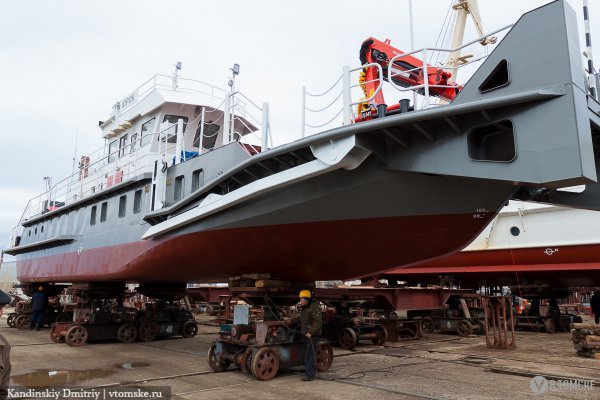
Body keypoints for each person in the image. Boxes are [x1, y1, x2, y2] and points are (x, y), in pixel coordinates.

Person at [292, 289, 322, 381]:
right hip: (305, 334)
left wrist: (311, 332)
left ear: (307, 299)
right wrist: (290, 321)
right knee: (306, 353)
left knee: (309, 354)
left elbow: (318, 322)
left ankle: (310, 375)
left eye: (302, 299)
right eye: (300, 299)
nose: (300, 301)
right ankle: (307, 371)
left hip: (311, 335)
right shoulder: (305, 308)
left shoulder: (314, 308)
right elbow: (301, 319)